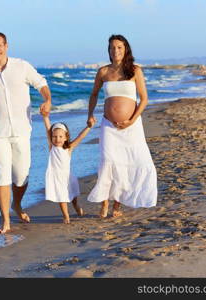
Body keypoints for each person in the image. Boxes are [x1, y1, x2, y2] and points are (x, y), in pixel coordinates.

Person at [0, 32, 52, 234]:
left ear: (6, 46)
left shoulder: (21, 66)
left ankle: (16, 204)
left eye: (0, 45)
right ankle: (5, 220)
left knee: (21, 176)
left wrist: (47, 100)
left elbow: (41, 83)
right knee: (1, 176)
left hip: (21, 131)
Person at [86, 34, 157, 218]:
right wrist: (90, 114)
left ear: (125, 49)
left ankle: (118, 205)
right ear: (108, 51)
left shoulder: (135, 70)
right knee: (108, 162)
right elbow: (94, 95)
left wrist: (131, 120)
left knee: (129, 163)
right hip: (109, 126)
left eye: (119, 47)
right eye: (112, 48)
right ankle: (104, 203)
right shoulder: (103, 72)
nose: (115, 50)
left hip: (131, 127)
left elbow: (144, 99)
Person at [42, 111, 95, 223]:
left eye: (60, 136)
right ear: (51, 138)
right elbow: (48, 128)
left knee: (72, 196)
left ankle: (76, 206)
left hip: (66, 177)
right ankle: (66, 216)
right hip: (56, 178)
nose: (57, 139)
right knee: (62, 197)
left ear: (66, 137)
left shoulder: (68, 148)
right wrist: (45, 116)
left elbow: (80, 137)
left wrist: (88, 127)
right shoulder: (52, 147)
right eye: (54, 137)